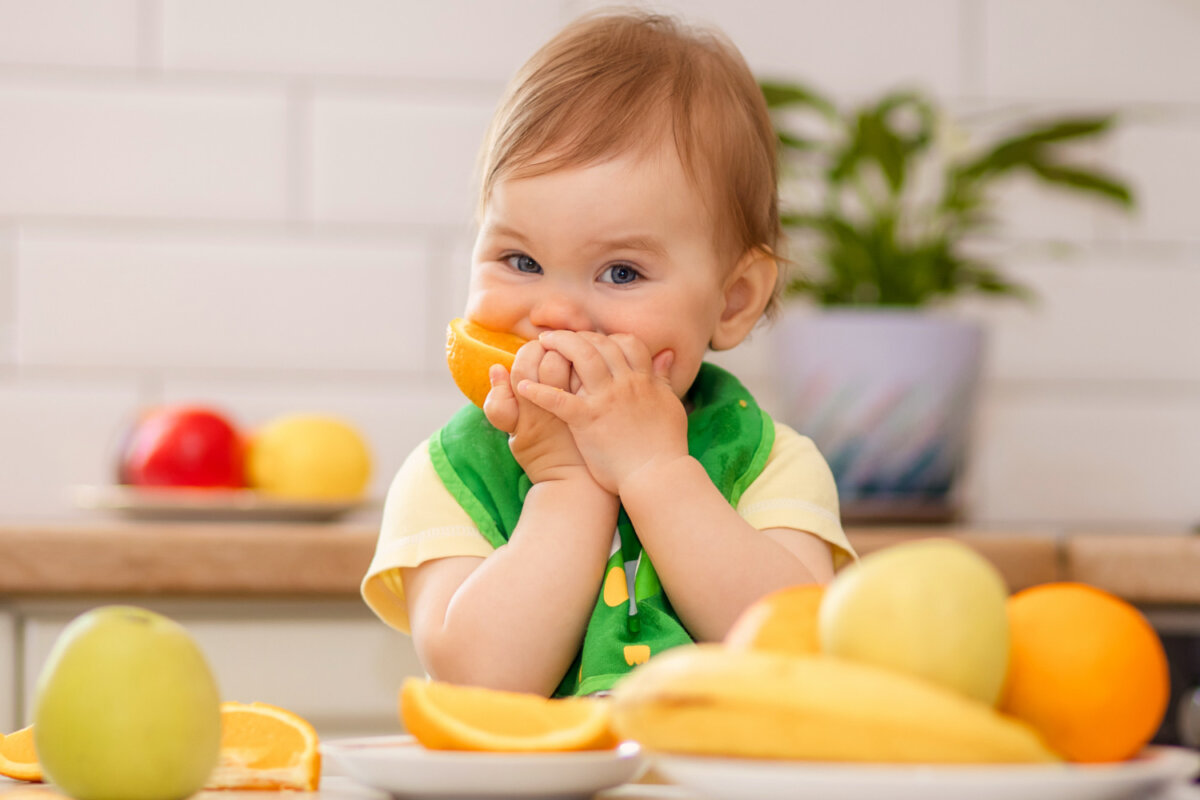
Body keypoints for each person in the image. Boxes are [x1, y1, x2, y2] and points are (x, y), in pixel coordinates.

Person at [362, 10, 854, 698]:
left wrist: (656, 471)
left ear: (734, 301)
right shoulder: (451, 474)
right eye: (520, 258)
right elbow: (481, 680)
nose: (555, 314)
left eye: (621, 272)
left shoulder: (768, 463)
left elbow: (797, 655)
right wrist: (567, 486)